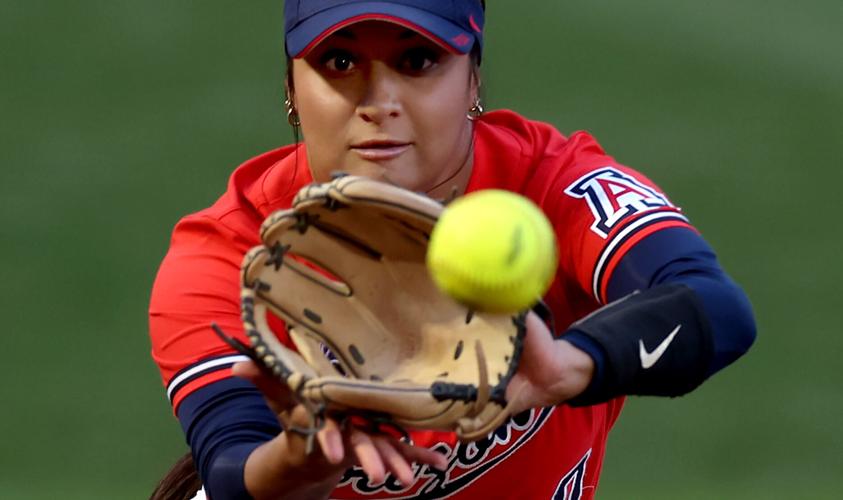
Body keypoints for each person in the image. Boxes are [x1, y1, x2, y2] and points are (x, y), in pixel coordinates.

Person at [149, 1, 756, 498]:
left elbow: (712, 305)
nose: (378, 101)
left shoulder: (550, 191)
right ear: (291, 88)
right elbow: (230, 471)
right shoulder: (231, 253)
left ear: (473, 79)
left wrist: (568, 367)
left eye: (418, 61)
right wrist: (304, 461)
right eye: (339, 61)